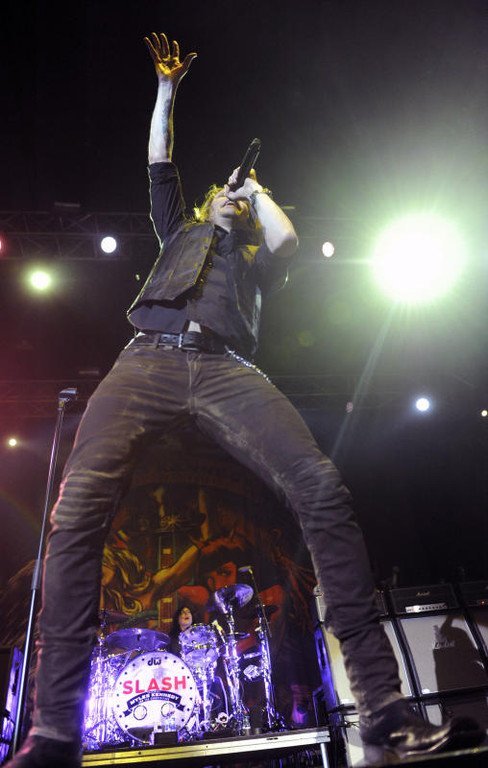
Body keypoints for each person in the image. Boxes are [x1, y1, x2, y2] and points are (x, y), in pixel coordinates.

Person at [7, 32, 484, 768]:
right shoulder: (181, 228)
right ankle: (55, 736)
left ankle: (386, 714)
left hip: (226, 368)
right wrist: (167, 90)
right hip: (145, 361)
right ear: (207, 202)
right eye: (223, 193)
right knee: (76, 513)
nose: (229, 198)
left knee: (321, 489)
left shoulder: (256, 260)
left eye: (239, 198)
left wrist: (255, 189)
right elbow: (159, 161)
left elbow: (288, 242)